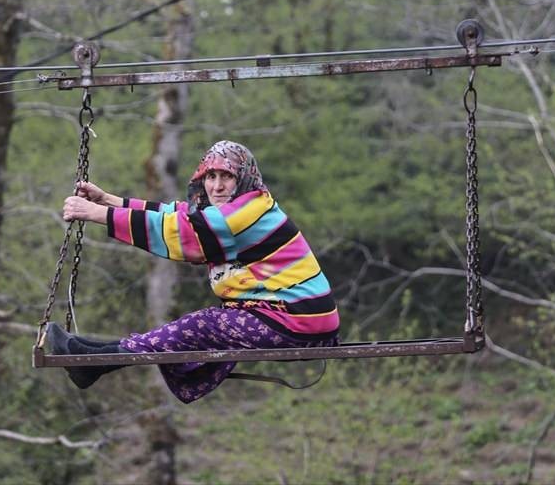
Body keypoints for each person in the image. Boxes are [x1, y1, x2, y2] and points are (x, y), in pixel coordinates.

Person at [46, 140, 339, 404]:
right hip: (295, 318)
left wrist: (96, 214)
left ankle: (97, 360)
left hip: (298, 321)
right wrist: (111, 201)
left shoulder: (246, 212)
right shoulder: (243, 207)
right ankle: (95, 356)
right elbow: (177, 214)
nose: (217, 186)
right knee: (203, 326)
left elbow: (182, 232)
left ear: (245, 178)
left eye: (227, 177)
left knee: (202, 324)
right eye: (211, 177)